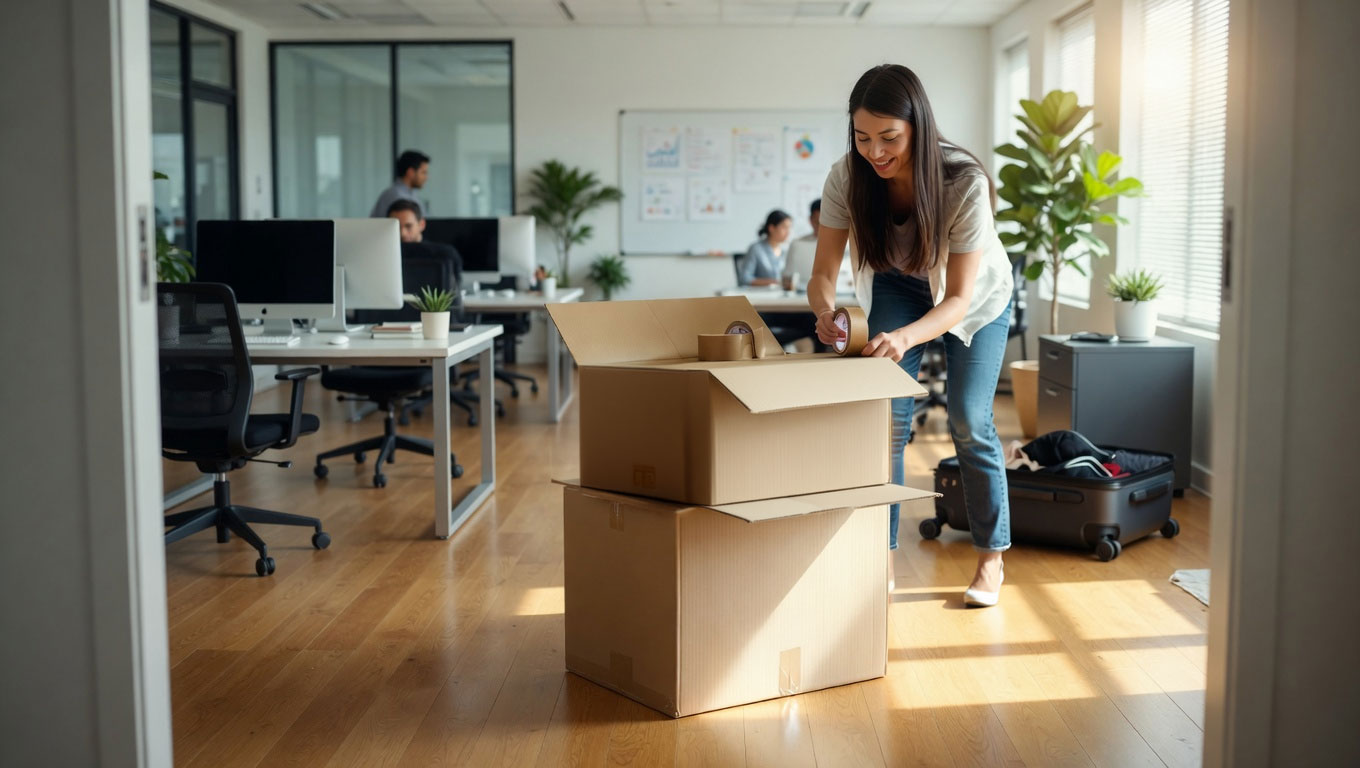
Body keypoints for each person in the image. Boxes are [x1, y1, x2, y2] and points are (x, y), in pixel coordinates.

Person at [808, 64, 1014, 608]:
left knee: (969, 417)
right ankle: (881, 556)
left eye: (890, 138)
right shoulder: (845, 178)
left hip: (974, 301)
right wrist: (826, 312)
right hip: (900, 286)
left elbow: (958, 300)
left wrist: (902, 338)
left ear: (918, 126)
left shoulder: (964, 180)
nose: (875, 152)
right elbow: (822, 273)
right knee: (888, 417)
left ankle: (992, 556)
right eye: (862, 137)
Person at [739, 210, 793, 287]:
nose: (788, 232)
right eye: (784, 227)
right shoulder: (756, 249)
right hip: (760, 295)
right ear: (771, 228)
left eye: (789, 228)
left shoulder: (786, 251)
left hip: (781, 295)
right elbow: (745, 278)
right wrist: (774, 282)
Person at [370, 150, 430, 219]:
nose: (426, 177)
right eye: (423, 172)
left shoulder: (412, 195)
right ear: (410, 172)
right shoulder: (397, 196)